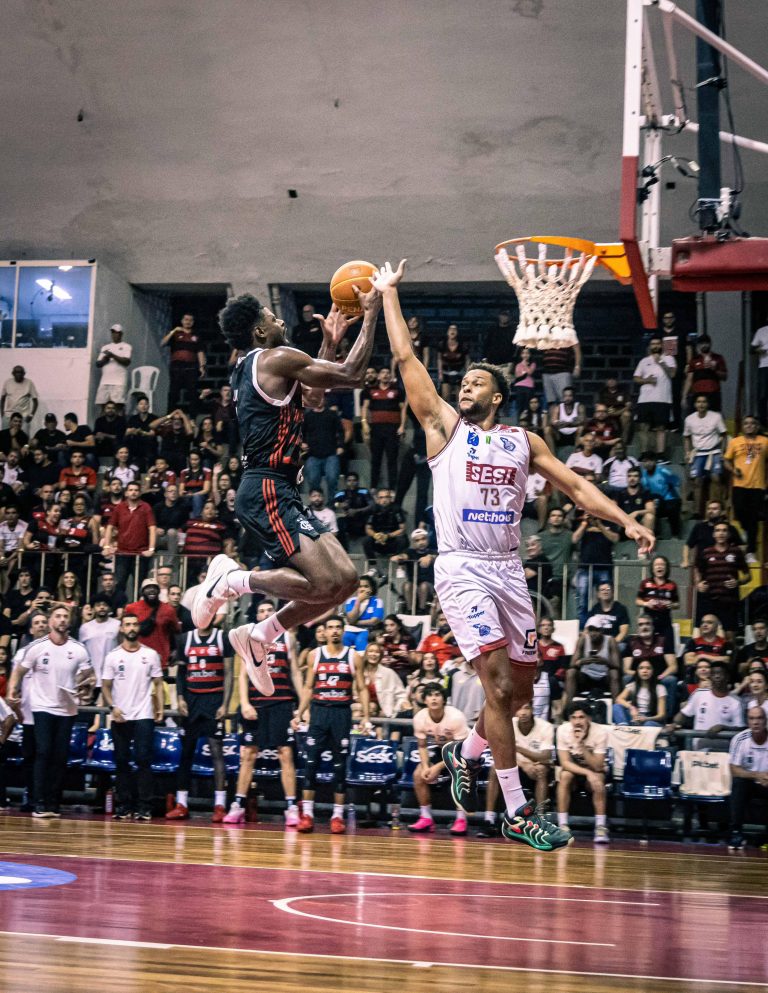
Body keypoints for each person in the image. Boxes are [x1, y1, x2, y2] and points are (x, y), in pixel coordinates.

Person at [375, 259, 653, 851]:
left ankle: (465, 753)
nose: (464, 388)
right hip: (461, 568)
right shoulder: (444, 428)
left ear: (498, 396)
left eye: (476, 383)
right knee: (498, 688)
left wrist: (626, 519)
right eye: (463, 383)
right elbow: (405, 359)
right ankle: (517, 811)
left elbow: (576, 487)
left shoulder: (524, 442)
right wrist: (389, 294)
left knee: (521, 693)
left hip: (507, 570)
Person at [191, 287, 381, 681]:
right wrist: (371, 314)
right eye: (270, 317)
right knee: (322, 583)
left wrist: (329, 344)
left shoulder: (256, 365)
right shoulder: (276, 357)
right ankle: (232, 580)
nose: (279, 320)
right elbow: (353, 375)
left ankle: (260, 635)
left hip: (281, 490)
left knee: (346, 582)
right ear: (260, 332)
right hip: (266, 489)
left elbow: (313, 399)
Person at [6, 606, 94, 817]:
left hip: (67, 707)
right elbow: (18, 671)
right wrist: (12, 691)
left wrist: (85, 687)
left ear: (70, 621)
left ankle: (53, 802)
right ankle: (39, 802)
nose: (62, 620)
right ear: (51, 621)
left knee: (60, 755)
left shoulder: (78, 649)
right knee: (43, 751)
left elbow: (89, 676)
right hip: (42, 706)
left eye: (65, 616)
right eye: (58, 616)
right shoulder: (37, 647)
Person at [224, 600, 302, 826]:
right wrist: (244, 703)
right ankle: (238, 805)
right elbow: (243, 675)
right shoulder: (248, 638)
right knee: (248, 754)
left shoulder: (287, 638)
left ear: (275, 614)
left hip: (281, 703)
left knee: (285, 753)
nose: (266, 613)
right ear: (257, 616)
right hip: (256, 704)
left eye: (269, 610)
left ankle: (291, 807)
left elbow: (295, 673)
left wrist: (302, 706)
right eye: (261, 611)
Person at [292, 615, 369, 834]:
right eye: (330, 628)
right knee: (311, 762)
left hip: (341, 713)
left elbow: (362, 687)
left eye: (338, 627)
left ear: (343, 631)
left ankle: (337, 815)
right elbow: (308, 687)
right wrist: (300, 712)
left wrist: (365, 716)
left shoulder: (353, 656)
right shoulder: (315, 655)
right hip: (319, 712)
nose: (334, 631)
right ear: (324, 632)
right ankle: (307, 814)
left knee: (339, 765)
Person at [165, 624, 235, 823]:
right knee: (186, 751)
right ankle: (181, 804)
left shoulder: (223, 637)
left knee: (216, 751)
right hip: (191, 700)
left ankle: (219, 805)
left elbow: (229, 673)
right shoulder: (185, 638)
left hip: (214, 700)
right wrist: (180, 698)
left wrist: (225, 704)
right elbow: (180, 672)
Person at [101, 614, 164, 820]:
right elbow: (106, 686)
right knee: (121, 761)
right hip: (120, 714)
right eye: (127, 624)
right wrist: (113, 707)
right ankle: (123, 805)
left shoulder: (150, 654)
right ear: (121, 628)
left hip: (144, 713)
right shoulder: (112, 656)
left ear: (139, 628)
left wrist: (160, 707)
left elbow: (158, 682)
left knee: (143, 759)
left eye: (135, 624)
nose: (131, 628)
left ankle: (144, 806)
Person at [408, 683, 470, 835]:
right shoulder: (420, 717)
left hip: (464, 752)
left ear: (444, 699)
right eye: (430, 695)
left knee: (460, 772)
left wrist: (437, 767)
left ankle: (461, 819)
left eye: (437, 695)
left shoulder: (456, 717)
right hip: (440, 751)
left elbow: (460, 750)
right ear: (425, 700)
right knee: (418, 774)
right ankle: (426, 818)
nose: (434, 698)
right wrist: (425, 767)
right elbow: (422, 746)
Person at [556, 701, 610, 843]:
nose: (577, 722)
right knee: (564, 776)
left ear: (589, 718)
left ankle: (600, 827)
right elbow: (565, 762)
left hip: (593, 768)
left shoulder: (600, 732)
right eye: (573, 717)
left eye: (581, 717)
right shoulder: (562, 730)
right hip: (574, 769)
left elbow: (597, 766)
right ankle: (562, 825)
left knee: (598, 780)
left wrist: (581, 745)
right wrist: (587, 773)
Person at [667, 659, 743, 748]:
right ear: (710, 677)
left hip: (724, 748)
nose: (717, 676)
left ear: (727, 677)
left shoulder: (736, 701)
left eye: (720, 674)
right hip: (699, 747)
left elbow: (740, 729)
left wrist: (723, 727)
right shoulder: (699, 694)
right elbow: (683, 714)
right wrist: (674, 724)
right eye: (713, 674)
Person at [724, 415, 768, 565]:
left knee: (754, 519)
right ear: (743, 426)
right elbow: (726, 460)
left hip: (758, 486)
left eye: (752, 423)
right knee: (740, 512)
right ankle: (745, 529)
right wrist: (733, 470)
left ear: (757, 426)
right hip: (739, 485)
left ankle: (750, 552)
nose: (749, 426)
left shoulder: (765, 441)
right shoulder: (735, 442)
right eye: (746, 423)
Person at [694, 522, 750, 637]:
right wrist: (698, 583)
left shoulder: (736, 551)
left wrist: (738, 582)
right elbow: (697, 569)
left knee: (730, 638)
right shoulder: (706, 552)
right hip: (709, 601)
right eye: (718, 530)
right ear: (713, 534)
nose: (721, 533)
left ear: (729, 534)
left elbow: (748, 576)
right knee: (708, 636)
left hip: (730, 602)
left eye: (724, 530)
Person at [103, 480, 157, 595]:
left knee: (140, 586)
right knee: (119, 585)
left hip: (140, 554)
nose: (133, 492)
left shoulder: (146, 507)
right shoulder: (119, 507)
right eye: (131, 490)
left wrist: (151, 549)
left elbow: (152, 528)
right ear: (126, 492)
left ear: (140, 493)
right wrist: (106, 546)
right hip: (122, 553)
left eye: (136, 490)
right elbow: (110, 527)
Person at [728, 706, 768, 851]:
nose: (755, 722)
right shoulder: (740, 739)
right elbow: (734, 769)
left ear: (765, 721)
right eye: (752, 718)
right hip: (750, 782)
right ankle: (736, 833)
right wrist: (757, 775)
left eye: (759, 718)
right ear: (747, 722)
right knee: (738, 783)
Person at [361, 367, 405, 491]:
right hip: (376, 429)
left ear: (390, 376)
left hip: (392, 429)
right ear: (379, 376)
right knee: (376, 459)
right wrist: (364, 423)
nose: (385, 375)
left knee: (392, 459)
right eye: (383, 373)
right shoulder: (370, 390)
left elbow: (403, 409)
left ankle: (392, 488)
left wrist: (402, 426)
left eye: (388, 373)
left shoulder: (398, 390)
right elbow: (365, 407)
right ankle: (373, 487)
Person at [683, 395, 727, 517]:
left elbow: (724, 435)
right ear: (695, 404)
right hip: (698, 453)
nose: (701, 404)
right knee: (697, 481)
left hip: (714, 451)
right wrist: (687, 452)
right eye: (698, 402)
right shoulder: (689, 419)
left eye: (704, 402)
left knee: (716, 478)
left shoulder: (716, 417)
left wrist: (723, 452)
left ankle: (718, 510)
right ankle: (697, 511)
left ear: (707, 404)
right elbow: (686, 437)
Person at [633, 335, 676, 455]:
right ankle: (645, 453)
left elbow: (672, 374)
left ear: (662, 345)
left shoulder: (669, 358)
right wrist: (646, 380)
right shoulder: (644, 361)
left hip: (663, 399)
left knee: (661, 427)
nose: (655, 346)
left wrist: (661, 362)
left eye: (657, 343)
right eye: (653, 344)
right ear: (650, 346)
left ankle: (660, 454)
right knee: (643, 427)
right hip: (645, 400)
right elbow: (636, 378)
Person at [564, 616, 621, 704]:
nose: (593, 633)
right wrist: (582, 661)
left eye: (596, 630)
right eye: (591, 630)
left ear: (602, 630)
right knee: (570, 672)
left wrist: (605, 662)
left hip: (604, 678)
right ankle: (569, 706)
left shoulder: (610, 640)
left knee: (614, 673)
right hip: (586, 677)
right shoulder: (583, 639)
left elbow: (617, 666)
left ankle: (616, 707)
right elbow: (572, 664)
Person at [162, 314, 206, 411]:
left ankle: (192, 416)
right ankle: (170, 415)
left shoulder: (196, 335)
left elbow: (200, 351)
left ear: (193, 322)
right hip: (176, 367)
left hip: (191, 367)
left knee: (192, 393)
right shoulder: (176, 334)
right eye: (186, 319)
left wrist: (202, 366)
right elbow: (163, 343)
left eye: (190, 320)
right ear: (182, 321)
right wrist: (173, 331)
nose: (188, 322)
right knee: (173, 392)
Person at [682, 499, 744, 569]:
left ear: (722, 512)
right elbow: (688, 545)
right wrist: (685, 560)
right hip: (703, 567)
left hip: (725, 567)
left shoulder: (730, 528)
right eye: (709, 509)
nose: (710, 511)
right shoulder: (699, 527)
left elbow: (741, 546)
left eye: (715, 509)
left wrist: (737, 560)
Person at [78, 596, 121, 696]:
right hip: (92, 678)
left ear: (109, 608)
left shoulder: (117, 625)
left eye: (104, 605)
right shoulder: (85, 628)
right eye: (98, 605)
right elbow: (81, 653)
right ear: (93, 609)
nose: (102, 607)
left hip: (112, 677)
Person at [302, 397, 344, 498]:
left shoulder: (332, 414)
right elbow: (300, 432)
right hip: (312, 455)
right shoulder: (307, 416)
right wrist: (302, 443)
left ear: (324, 400)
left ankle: (331, 504)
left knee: (332, 479)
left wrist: (341, 446)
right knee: (312, 480)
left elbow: (340, 431)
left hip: (331, 454)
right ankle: (316, 504)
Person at [636, 554, 679, 651]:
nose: (659, 567)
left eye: (662, 565)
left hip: (665, 621)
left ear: (666, 568)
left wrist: (671, 605)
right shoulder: (645, 583)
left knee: (668, 648)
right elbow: (637, 601)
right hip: (649, 621)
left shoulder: (672, 585)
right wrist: (646, 603)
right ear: (652, 568)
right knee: (648, 648)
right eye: (656, 565)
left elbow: (677, 604)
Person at [391, 527, 436, 613]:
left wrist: (430, 557)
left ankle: (422, 610)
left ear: (427, 540)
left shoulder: (432, 551)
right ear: (413, 542)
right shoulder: (410, 552)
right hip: (413, 586)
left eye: (423, 539)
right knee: (406, 585)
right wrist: (398, 557)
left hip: (429, 586)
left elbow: (436, 556)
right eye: (417, 540)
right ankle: (409, 610)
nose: (421, 542)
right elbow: (404, 556)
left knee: (424, 586)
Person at [640, 451, 682, 538]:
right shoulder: (643, 475)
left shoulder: (663, 471)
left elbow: (677, 482)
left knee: (673, 507)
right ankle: (656, 534)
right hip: (656, 501)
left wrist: (684, 503)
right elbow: (647, 492)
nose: (646, 464)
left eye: (648, 461)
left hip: (670, 499)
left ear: (654, 461)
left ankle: (675, 535)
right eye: (644, 461)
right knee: (651, 506)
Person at [613, 659, 667, 725]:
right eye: (641, 668)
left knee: (648, 724)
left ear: (653, 671)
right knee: (616, 706)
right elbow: (619, 699)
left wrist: (646, 719)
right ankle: (623, 727)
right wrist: (631, 708)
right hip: (634, 716)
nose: (645, 671)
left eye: (648, 668)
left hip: (650, 719)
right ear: (637, 671)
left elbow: (661, 715)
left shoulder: (660, 688)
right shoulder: (632, 685)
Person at [682, 334, 727, 413]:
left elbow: (725, 377)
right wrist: (684, 396)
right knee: (697, 418)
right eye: (702, 343)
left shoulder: (718, 358)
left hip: (713, 394)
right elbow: (689, 379)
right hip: (697, 395)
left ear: (710, 344)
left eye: (706, 343)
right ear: (698, 345)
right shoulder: (694, 360)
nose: (704, 345)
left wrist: (714, 369)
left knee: (714, 417)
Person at [362, 487, 407, 564]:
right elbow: (368, 528)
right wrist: (375, 535)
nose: (384, 500)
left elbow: (402, 529)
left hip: (392, 540)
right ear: (377, 499)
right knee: (366, 540)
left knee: (402, 540)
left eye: (386, 497)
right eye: (381, 497)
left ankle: (400, 566)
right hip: (378, 541)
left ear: (391, 498)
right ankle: (373, 566)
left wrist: (388, 536)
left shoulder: (396, 509)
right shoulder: (373, 509)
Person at [95, 323, 132, 413]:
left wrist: (113, 355)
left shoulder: (126, 346)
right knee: (103, 407)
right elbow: (98, 364)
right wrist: (105, 358)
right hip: (105, 381)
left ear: (121, 334)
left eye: (116, 332)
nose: (114, 334)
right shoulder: (105, 347)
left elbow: (127, 362)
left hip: (119, 382)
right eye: (113, 332)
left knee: (118, 408)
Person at [341, 574, 385, 652]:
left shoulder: (377, 601)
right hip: (351, 630)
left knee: (361, 640)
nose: (362, 589)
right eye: (360, 586)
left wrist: (354, 623)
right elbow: (351, 619)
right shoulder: (351, 601)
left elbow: (374, 621)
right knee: (344, 638)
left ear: (371, 589)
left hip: (369, 631)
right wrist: (358, 601)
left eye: (366, 586)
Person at [332, 472, 373, 548]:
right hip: (350, 521)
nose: (352, 483)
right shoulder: (341, 493)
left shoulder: (364, 491)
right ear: (345, 482)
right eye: (349, 480)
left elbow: (372, 506)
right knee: (340, 521)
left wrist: (357, 511)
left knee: (371, 520)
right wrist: (340, 504)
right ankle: (343, 548)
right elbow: (332, 503)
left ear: (358, 481)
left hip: (363, 521)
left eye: (354, 480)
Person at [587, 582, 630, 646]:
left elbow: (623, 633)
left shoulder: (621, 609)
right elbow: (588, 630)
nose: (605, 592)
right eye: (602, 590)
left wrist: (610, 645)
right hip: (598, 644)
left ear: (612, 592)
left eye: (608, 589)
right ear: (598, 594)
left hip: (615, 644)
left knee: (622, 646)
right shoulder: (595, 609)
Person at [544, 386, 585, 453]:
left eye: (570, 396)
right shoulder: (559, 407)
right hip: (560, 435)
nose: (567, 398)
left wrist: (567, 424)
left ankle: (576, 454)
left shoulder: (579, 406)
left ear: (573, 397)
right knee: (547, 429)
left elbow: (582, 420)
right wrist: (570, 423)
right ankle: (552, 454)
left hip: (574, 434)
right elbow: (553, 421)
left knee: (581, 428)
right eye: (565, 396)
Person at [436, 323, 469, 402]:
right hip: (446, 372)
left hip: (459, 372)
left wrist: (467, 373)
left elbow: (467, 360)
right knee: (445, 397)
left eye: (454, 329)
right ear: (447, 332)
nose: (452, 331)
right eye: (450, 329)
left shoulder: (463, 345)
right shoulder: (442, 344)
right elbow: (439, 359)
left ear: (457, 332)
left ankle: (459, 410)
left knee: (460, 398)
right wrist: (440, 373)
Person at [752, 322, 768, 427]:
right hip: (765, 366)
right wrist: (760, 350)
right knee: (763, 395)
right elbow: (752, 349)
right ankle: (763, 422)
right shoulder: (761, 331)